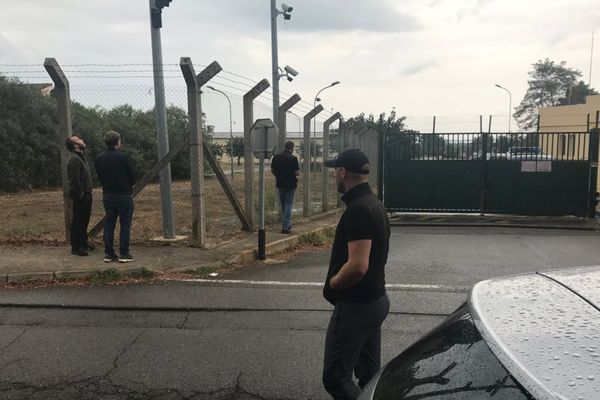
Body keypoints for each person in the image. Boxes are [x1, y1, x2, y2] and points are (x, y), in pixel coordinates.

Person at [321, 148, 391, 399]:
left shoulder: (358, 210)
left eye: (335, 172)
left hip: (357, 306)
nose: (334, 178)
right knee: (370, 376)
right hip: (375, 301)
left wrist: (334, 282)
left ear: (342, 173)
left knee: (336, 378)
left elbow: (358, 266)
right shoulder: (374, 204)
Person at [94, 130, 136, 263]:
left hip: (108, 194)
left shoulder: (99, 158)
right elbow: (131, 175)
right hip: (123, 195)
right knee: (125, 225)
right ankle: (124, 253)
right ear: (118, 141)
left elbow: (99, 175)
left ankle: (109, 253)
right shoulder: (122, 157)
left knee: (109, 224)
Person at [66, 135, 94, 256]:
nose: (82, 140)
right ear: (75, 145)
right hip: (81, 195)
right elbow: (75, 180)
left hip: (86, 193)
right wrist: (81, 194)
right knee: (78, 220)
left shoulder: (80, 157)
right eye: (79, 140)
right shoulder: (74, 159)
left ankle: (83, 242)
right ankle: (76, 247)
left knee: (84, 219)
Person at [270, 140, 300, 234]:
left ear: (285, 147)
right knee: (288, 205)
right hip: (291, 184)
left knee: (284, 205)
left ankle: (287, 223)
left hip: (280, 183)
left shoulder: (276, 157)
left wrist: (278, 176)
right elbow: (297, 173)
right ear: (292, 148)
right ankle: (285, 227)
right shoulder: (293, 158)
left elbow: (272, 170)